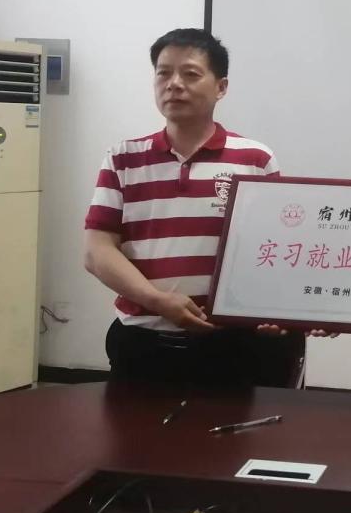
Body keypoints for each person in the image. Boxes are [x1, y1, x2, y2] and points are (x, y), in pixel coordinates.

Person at [84, 28, 303, 387]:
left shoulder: (255, 159)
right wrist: (158, 300)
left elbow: (272, 251)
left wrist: (274, 308)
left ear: (221, 87)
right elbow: (97, 252)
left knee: (239, 427)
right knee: (135, 427)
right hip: (144, 342)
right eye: (163, 73)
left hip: (234, 347)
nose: (174, 84)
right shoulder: (123, 158)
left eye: (190, 74)